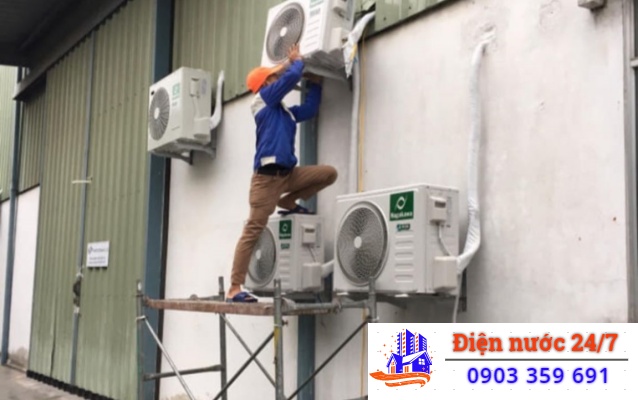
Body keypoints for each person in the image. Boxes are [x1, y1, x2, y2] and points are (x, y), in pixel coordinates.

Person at [227, 44, 338, 303]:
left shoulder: (284, 112)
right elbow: (289, 79)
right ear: (266, 83)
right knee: (253, 229)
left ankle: (288, 201)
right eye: (273, 77)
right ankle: (234, 288)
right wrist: (296, 62)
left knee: (328, 174)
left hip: (287, 175)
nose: (277, 78)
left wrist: (316, 84)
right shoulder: (261, 101)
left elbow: (309, 110)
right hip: (266, 181)